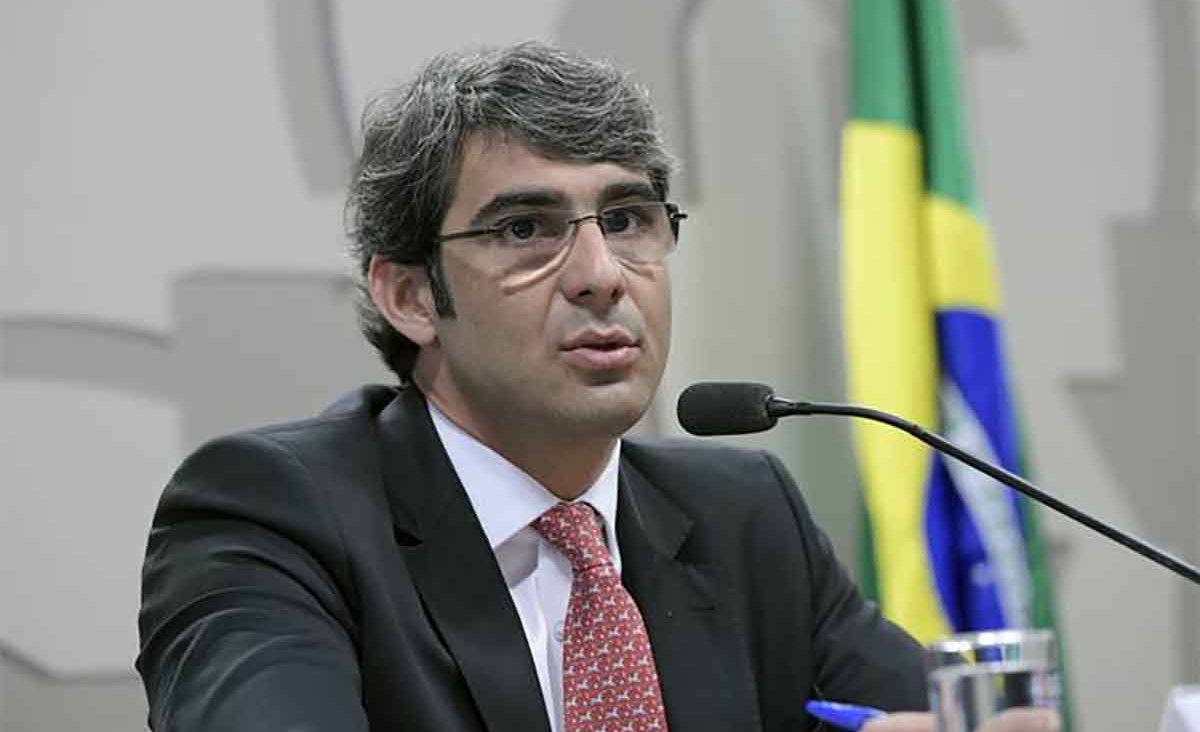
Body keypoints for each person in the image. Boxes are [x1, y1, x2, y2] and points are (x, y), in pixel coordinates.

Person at [136, 42, 1052, 732]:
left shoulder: (745, 517)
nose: (602, 274)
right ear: (412, 295)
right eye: (528, 228)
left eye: (627, 218)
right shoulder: (271, 515)